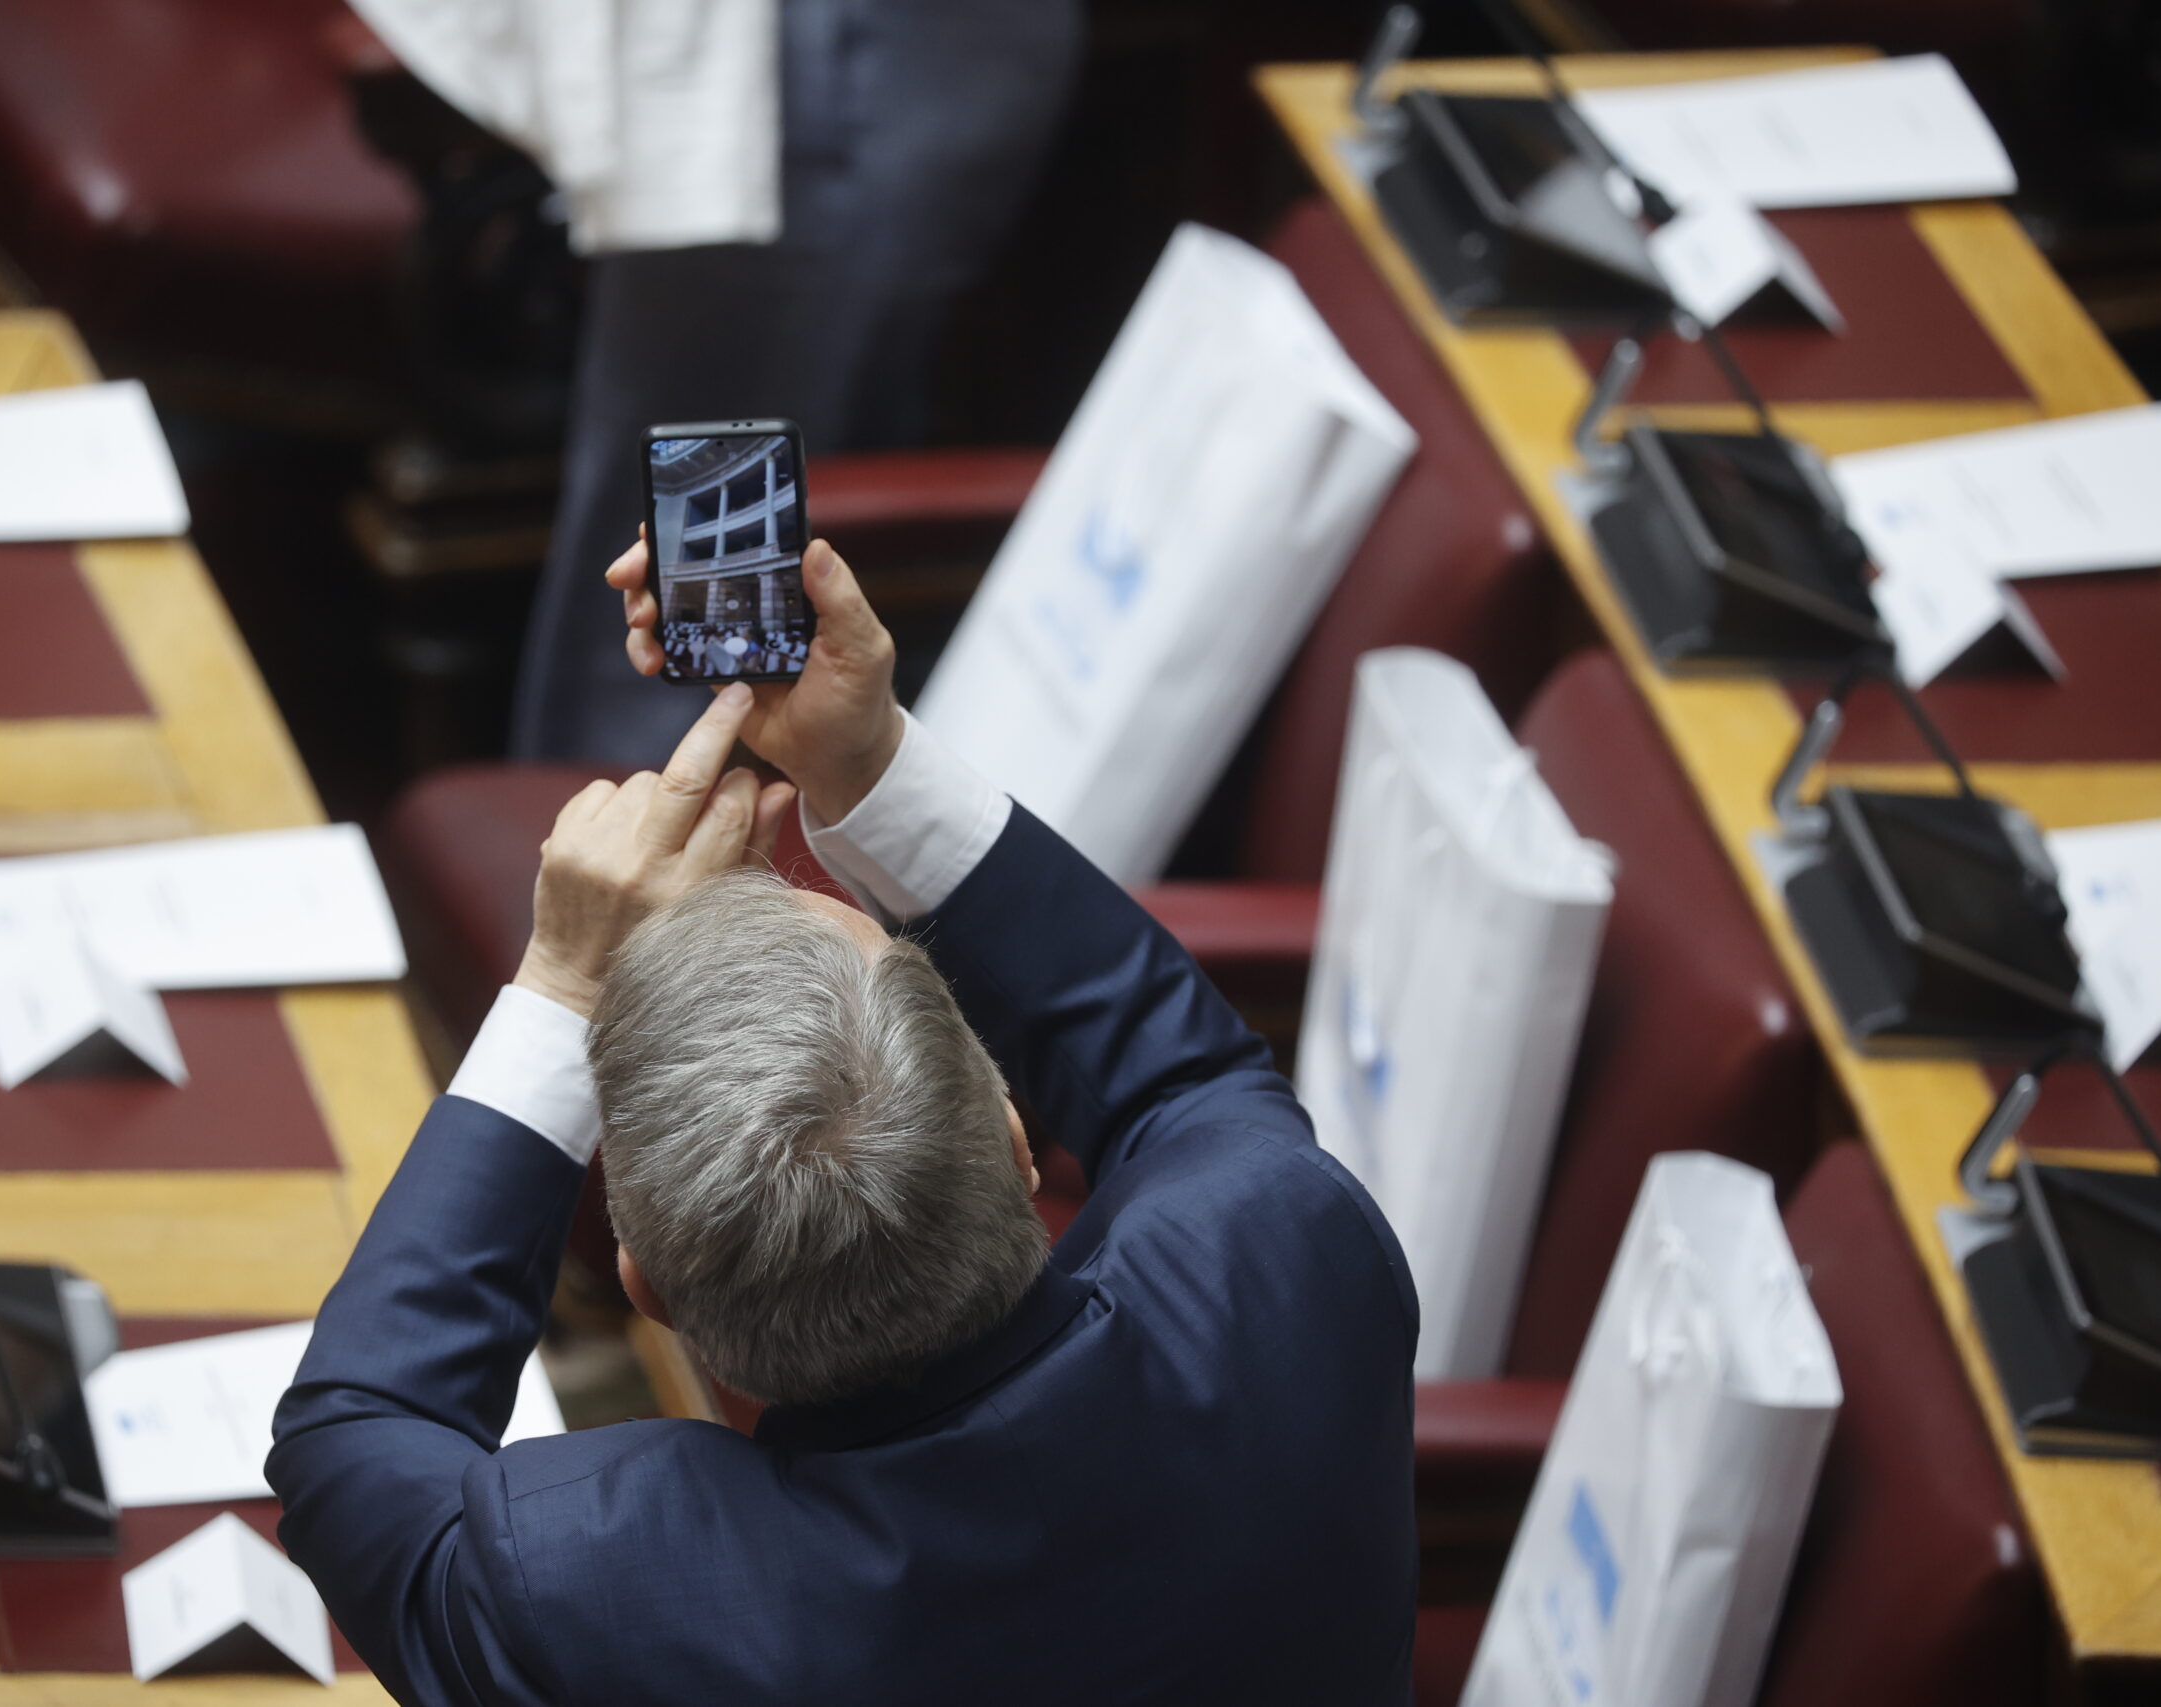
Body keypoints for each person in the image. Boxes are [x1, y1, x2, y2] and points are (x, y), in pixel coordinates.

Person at [269, 535, 1419, 1701]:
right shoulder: (1289, 1262)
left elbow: (351, 1446)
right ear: (1013, 1141)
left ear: (647, 1288)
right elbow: (1189, 1083)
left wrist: (567, 979)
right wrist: (869, 762)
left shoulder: (604, 1596)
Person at [507, 0, 1088, 764]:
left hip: (831, 62)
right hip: (835, 67)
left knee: (708, 602)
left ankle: (646, 819)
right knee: (696, 568)